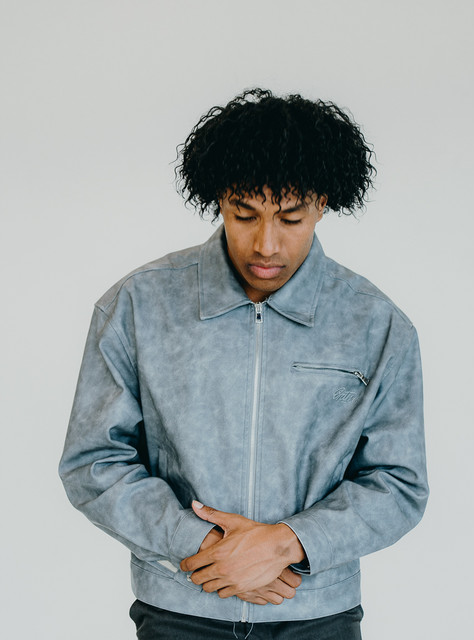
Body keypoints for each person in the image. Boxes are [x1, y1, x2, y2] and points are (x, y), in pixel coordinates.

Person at [59, 88, 428, 639]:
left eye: (291, 218)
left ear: (323, 204)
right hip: (180, 613)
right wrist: (208, 549)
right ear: (219, 201)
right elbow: (94, 462)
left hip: (316, 617)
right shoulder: (138, 306)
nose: (266, 244)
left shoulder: (375, 324)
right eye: (245, 214)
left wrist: (285, 544)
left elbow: (398, 483)